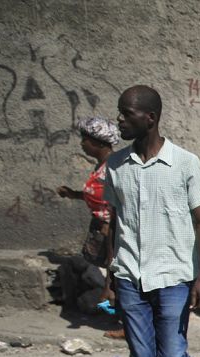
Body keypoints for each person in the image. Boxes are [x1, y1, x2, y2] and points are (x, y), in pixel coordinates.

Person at [103, 86, 200, 357]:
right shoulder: (116, 166)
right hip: (130, 273)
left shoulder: (184, 163)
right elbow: (114, 222)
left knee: (172, 354)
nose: (119, 120)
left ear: (148, 118)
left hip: (173, 276)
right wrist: (111, 273)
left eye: (125, 114)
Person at [57, 116, 123, 338]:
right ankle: (117, 314)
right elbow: (99, 196)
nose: (82, 144)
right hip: (101, 227)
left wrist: (109, 226)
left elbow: (116, 201)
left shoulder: (113, 167)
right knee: (107, 271)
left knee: (115, 273)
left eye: (85, 139)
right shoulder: (102, 166)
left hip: (110, 228)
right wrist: (74, 194)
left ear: (99, 142)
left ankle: (126, 324)